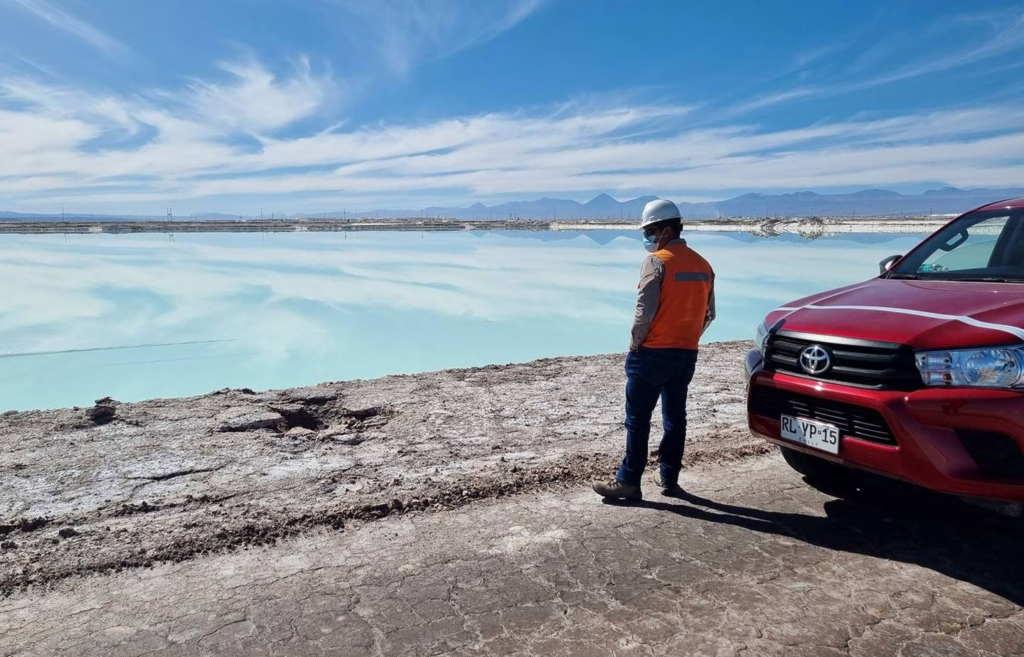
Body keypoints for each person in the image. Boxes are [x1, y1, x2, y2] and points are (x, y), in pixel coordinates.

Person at [593, 199, 716, 501]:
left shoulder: (657, 261)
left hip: (651, 354)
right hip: (686, 354)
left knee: (637, 420)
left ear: (665, 230)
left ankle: (629, 481)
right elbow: (709, 314)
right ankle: (669, 479)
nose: (647, 237)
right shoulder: (703, 265)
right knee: (676, 418)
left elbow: (644, 312)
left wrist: (636, 343)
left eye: (649, 230)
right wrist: (688, 337)